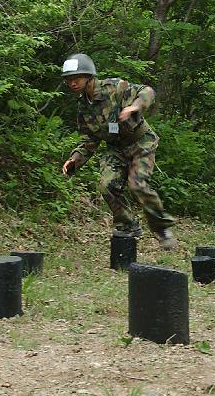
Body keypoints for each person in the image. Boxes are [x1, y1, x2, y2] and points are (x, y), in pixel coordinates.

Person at [60, 53, 177, 249]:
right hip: (116, 148)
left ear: (89, 76)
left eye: (76, 78)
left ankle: (162, 228)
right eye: (69, 80)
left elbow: (147, 91)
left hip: (141, 143)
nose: (72, 83)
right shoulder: (83, 107)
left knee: (137, 185)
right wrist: (75, 159)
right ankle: (128, 225)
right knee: (106, 185)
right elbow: (90, 140)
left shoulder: (114, 88)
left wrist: (134, 107)